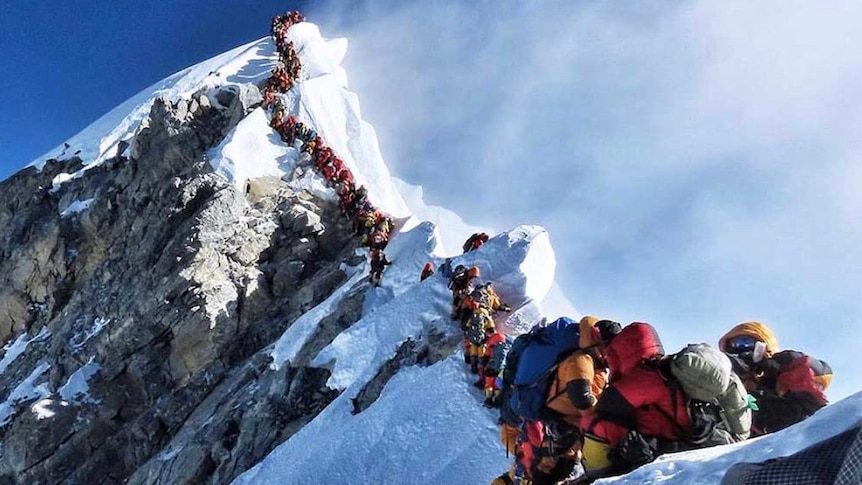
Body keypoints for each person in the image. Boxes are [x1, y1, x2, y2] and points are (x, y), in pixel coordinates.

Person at [581, 321, 747, 480]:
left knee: (595, 423)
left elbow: (607, 407)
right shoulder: (677, 379)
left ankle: (595, 477)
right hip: (694, 445)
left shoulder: (648, 376)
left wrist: (643, 452)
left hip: (674, 450)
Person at [719, 321, 833, 435]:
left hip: (790, 437)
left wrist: (789, 360)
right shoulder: (724, 382)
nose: (738, 349)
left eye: (745, 342)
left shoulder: (779, 378)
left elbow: (822, 374)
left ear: (763, 347)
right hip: (737, 442)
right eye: (733, 345)